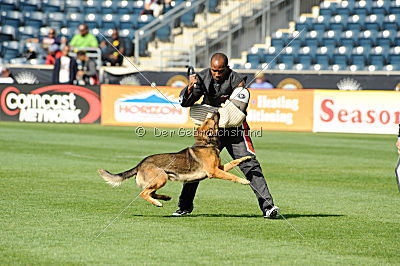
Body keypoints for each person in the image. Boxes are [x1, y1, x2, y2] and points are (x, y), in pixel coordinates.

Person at [174, 52, 279, 218]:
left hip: (234, 128)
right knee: (196, 166)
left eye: (220, 71)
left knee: (250, 164)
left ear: (227, 68)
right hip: (211, 132)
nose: (216, 74)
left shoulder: (238, 81)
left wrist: (215, 114)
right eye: (214, 70)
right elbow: (185, 103)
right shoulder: (201, 78)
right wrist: (190, 87)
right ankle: (184, 206)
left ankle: (268, 207)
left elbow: (237, 112)